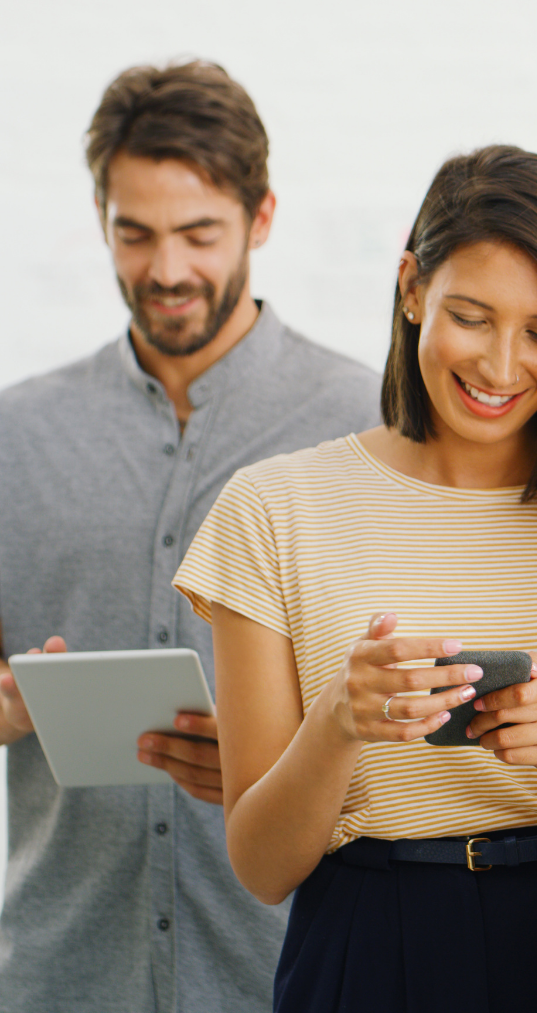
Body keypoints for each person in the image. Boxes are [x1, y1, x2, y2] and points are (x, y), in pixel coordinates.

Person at [171, 144, 537, 1012]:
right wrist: (338, 722)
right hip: (364, 935)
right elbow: (262, 865)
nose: (504, 367)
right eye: (473, 316)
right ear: (411, 288)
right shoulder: (273, 508)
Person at [0, 60, 380, 1012]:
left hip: (288, 976)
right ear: (102, 223)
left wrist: (292, 759)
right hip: (60, 979)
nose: (167, 270)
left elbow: (429, 715)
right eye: (135, 234)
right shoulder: (18, 436)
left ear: (261, 218)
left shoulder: (368, 428)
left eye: (199, 233)